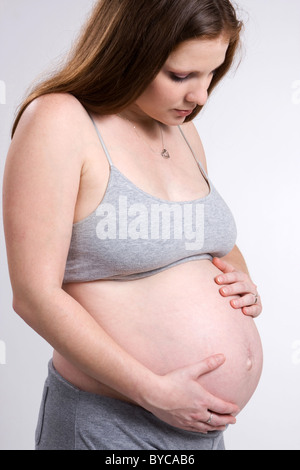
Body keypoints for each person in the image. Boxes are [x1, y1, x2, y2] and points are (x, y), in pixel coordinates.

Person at [3, 0, 263, 451]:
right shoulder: (60, 120)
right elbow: (33, 297)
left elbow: (201, 240)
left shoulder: (181, 131)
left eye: (210, 74)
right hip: (107, 426)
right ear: (129, 53)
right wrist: (153, 391)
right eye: (181, 76)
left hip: (198, 432)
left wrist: (242, 278)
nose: (200, 97)